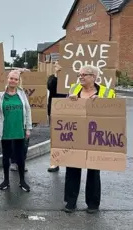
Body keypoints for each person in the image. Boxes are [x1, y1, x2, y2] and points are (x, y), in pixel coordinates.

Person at [62, 65, 116, 214]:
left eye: (84, 74)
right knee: (72, 169)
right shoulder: (74, 89)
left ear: (94, 77)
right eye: (79, 74)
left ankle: (93, 204)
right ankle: (70, 202)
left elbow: (115, 114)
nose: (81, 77)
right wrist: (69, 101)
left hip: (95, 137)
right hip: (76, 136)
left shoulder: (107, 92)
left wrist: (103, 103)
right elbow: (63, 112)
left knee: (93, 170)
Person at [0, 70, 32, 192]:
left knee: (20, 156)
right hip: (6, 131)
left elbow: (27, 110)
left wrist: (28, 128)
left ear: (18, 81)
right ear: (7, 79)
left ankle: (22, 180)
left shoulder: (22, 94)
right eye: (11, 78)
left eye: (15, 79)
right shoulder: (0, 95)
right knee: (6, 156)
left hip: (19, 130)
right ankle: (6, 180)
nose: (13, 81)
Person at [46, 61, 67, 172]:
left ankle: (71, 160)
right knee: (55, 138)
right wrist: (56, 74)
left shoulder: (75, 78)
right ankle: (55, 162)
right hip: (55, 111)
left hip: (71, 111)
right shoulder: (52, 78)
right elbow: (51, 87)